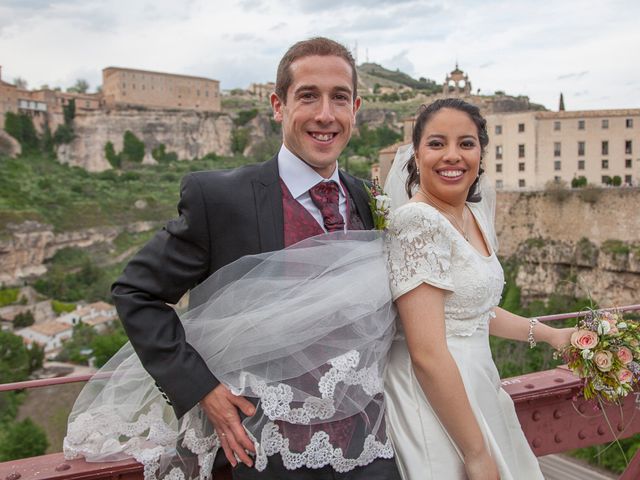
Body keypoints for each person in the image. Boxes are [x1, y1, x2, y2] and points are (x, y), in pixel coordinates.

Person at [64, 37, 400, 480]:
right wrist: (201, 389)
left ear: (355, 108)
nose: (325, 114)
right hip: (260, 454)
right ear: (278, 106)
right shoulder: (220, 198)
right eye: (307, 96)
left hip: (367, 450)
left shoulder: (366, 197)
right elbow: (135, 293)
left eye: (339, 98)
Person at [383, 98, 574, 480]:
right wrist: (475, 452)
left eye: (466, 143)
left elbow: (473, 311)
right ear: (416, 156)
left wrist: (553, 335)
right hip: (436, 398)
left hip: (477, 386)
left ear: (481, 154)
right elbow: (427, 352)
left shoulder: (472, 214)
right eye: (437, 144)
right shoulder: (418, 223)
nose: (452, 155)